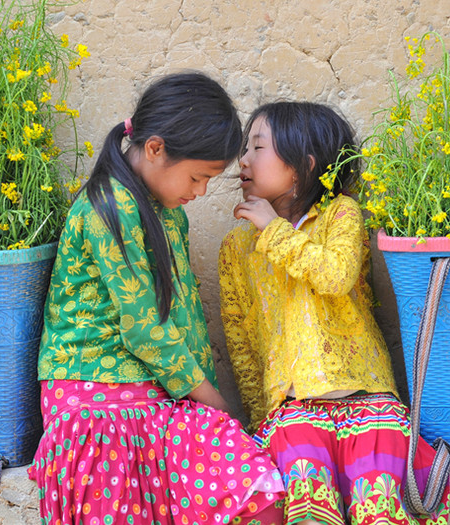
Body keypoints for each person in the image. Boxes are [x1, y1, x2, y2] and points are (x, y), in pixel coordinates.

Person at [29, 72, 286, 525]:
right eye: (198, 176)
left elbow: (183, 315)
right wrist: (214, 402)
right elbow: (145, 329)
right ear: (154, 148)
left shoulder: (169, 214)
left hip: (160, 393)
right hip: (94, 401)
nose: (200, 191)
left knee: (260, 497)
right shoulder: (107, 206)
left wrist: (205, 403)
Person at [218, 101, 450, 525]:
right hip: (292, 414)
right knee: (308, 515)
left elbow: (335, 276)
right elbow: (241, 344)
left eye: (257, 147)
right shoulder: (237, 247)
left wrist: (275, 231)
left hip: (368, 405)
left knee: (380, 514)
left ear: (301, 167)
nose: (244, 160)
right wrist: (259, 422)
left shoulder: (341, 215)